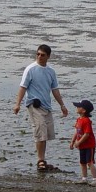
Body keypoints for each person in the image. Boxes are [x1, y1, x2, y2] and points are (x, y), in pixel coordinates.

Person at [13, 44, 68, 172]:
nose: (39, 57)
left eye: (42, 55)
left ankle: (42, 159)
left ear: (48, 56)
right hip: (33, 104)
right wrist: (17, 104)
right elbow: (23, 87)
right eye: (37, 54)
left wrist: (62, 106)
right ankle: (40, 160)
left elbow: (55, 90)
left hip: (46, 105)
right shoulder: (30, 69)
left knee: (46, 134)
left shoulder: (51, 71)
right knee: (40, 131)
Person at [69, 99, 96, 185]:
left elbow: (86, 134)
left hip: (89, 145)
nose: (77, 107)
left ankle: (95, 179)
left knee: (89, 162)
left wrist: (78, 142)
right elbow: (77, 131)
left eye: (79, 107)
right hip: (82, 146)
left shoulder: (86, 121)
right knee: (82, 162)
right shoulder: (79, 120)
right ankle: (84, 178)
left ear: (84, 110)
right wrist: (73, 141)